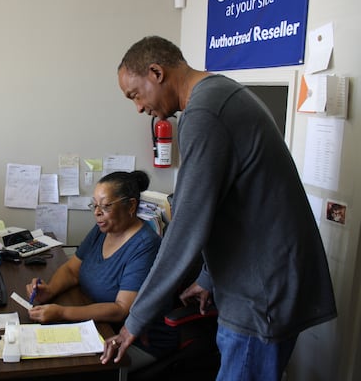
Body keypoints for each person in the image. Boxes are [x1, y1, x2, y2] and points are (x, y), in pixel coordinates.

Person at [100, 36, 337, 380]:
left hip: (260, 299)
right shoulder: (222, 94)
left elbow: (186, 228)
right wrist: (209, 278)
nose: (138, 108)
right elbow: (235, 204)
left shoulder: (205, 113)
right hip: (270, 285)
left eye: (135, 94)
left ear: (156, 72)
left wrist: (133, 321)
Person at [26, 170, 178, 369]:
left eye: (105, 206)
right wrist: (50, 290)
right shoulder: (103, 229)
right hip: (99, 327)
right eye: (95, 205)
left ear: (131, 205)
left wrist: (62, 313)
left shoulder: (145, 246)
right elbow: (72, 270)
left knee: (64, 371)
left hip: (136, 342)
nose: (97, 212)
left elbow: (120, 310)